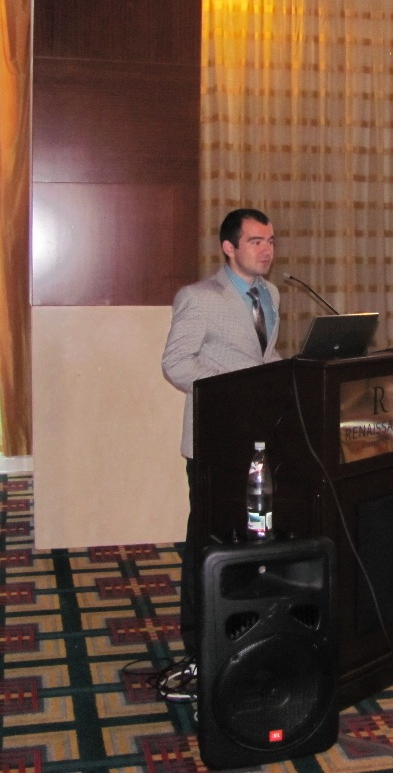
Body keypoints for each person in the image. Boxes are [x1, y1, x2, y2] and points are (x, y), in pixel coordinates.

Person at [160, 207, 283, 681]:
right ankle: (198, 640)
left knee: (253, 536)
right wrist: (230, 390)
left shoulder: (270, 293)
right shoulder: (199, 297)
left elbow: (262, 355)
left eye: (270, 241)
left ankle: (244, 628)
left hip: (258, 436)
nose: (267, 250)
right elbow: (177, 363)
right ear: (229, 248)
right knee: (208, 540)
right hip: (214, 441)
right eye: (256, 241)